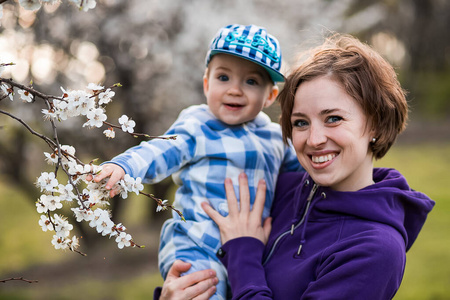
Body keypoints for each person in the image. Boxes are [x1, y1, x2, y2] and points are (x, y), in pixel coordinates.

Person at [158, 33, 435, 299]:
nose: (313, 140)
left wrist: (243, 250)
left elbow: (242, 261)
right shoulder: (280, 188)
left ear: (374, 122)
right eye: (301, 122)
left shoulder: (374, 250)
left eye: (333, 118)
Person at [93, 24, 303, 300]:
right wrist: (125, 167)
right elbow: (159, 150)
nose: (235, 90)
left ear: (270, 96)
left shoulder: (275, 138)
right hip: (196, 244)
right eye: (223, 77)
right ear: (207, 83)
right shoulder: (197, 125)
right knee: (202, 293)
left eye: (251, 81)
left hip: (250, 248)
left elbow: (303, 174)